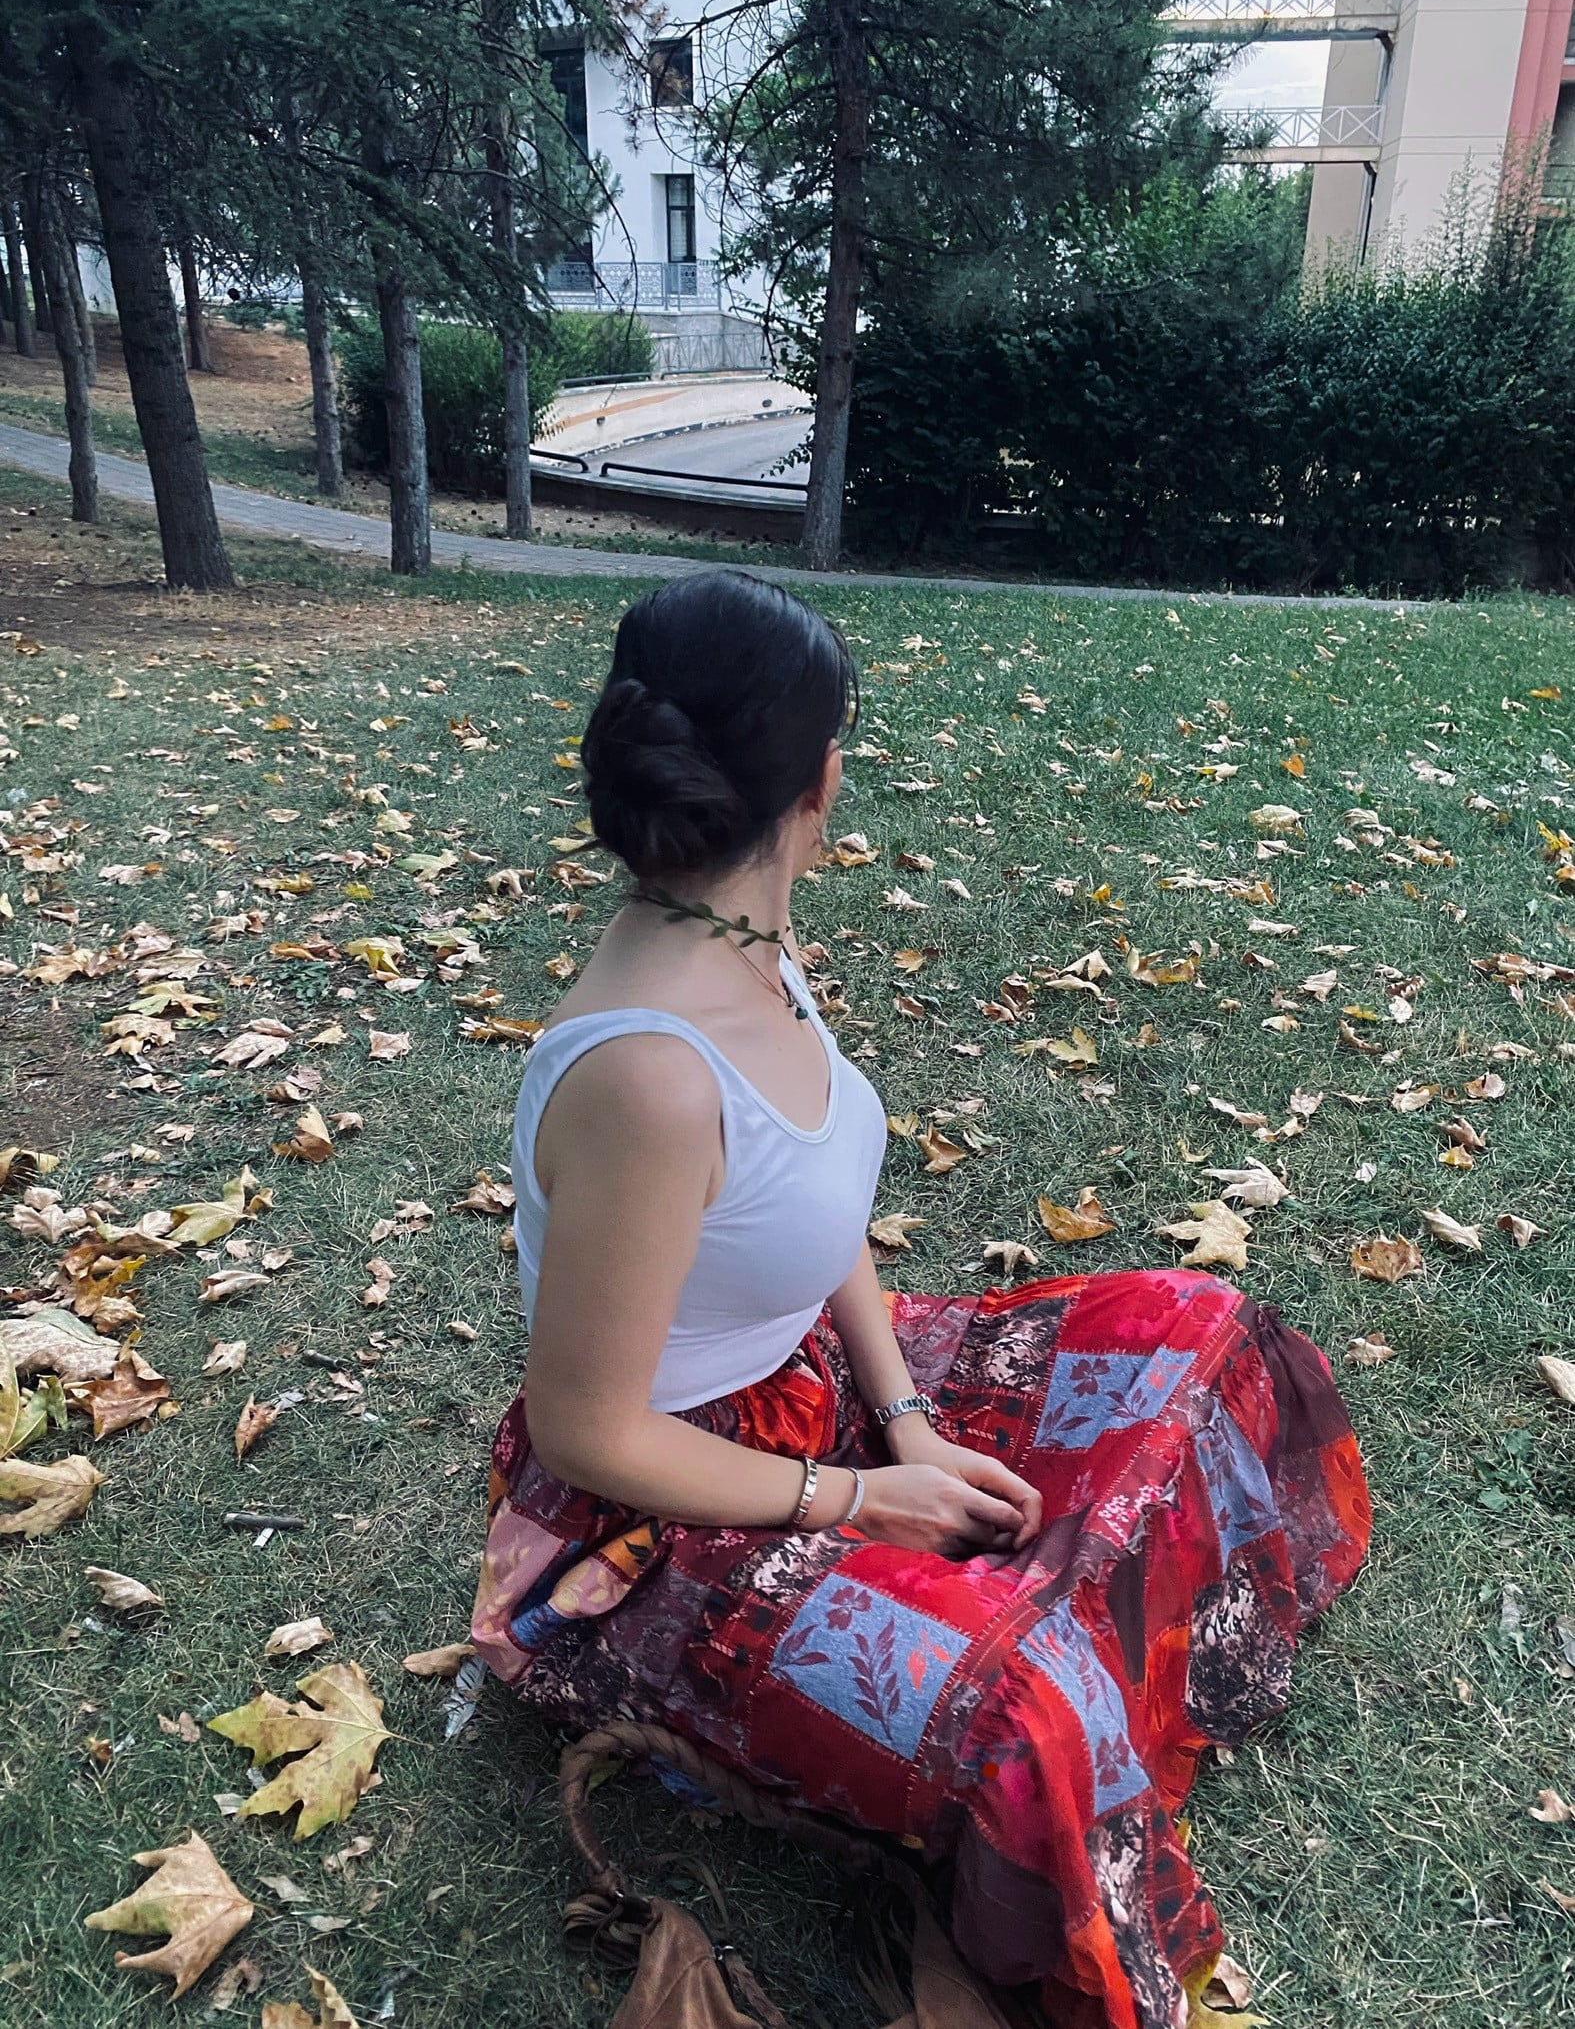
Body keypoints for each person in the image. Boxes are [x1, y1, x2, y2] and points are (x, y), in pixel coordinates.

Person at [471, 569, 1370, 2029]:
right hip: (655, 1529)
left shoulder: (753, 945)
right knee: (1031, 1709)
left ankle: (1105, 1641)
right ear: (818, 783)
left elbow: (814, 1204)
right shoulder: (646, 1076)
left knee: (1203, 1333)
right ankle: (1072, 1665)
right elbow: (586, 1431)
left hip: (817, 1397)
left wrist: (904, 1424)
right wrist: (852, 1502)